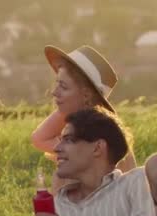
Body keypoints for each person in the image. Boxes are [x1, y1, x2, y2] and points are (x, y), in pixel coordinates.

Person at [31, 45, 136, 193]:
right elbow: (39, 138)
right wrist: (68, 106)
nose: (54, 92)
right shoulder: (84, 131)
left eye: (63, 86)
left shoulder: (94, 139)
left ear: (86, 95)